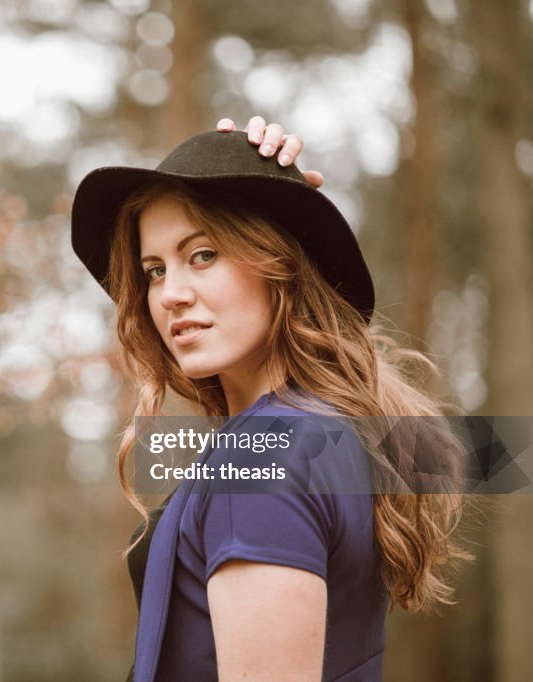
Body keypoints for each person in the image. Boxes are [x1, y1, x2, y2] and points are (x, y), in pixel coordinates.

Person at [69, 117, 469, 681]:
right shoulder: (326, 435)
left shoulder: (263, 456)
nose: (171, 295)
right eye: (154, 270)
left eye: (203, 255)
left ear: (278, 263)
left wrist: (279, 198)